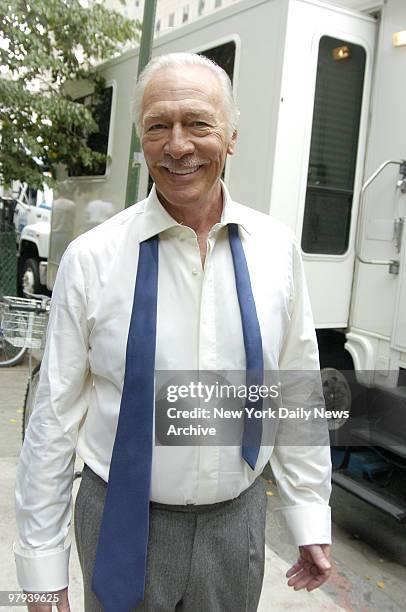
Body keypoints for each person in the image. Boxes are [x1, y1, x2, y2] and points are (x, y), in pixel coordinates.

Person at [14, 52, 332, 612]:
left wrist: (309, 511)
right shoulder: (92, 259)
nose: (178, 145)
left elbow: (296, 385)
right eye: (158, 126)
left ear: (230, 137)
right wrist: (40, 566)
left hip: (236, 526)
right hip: (119, 518)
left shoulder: (276, 250)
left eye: (198, 124)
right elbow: (53, 419)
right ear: (141, 139)